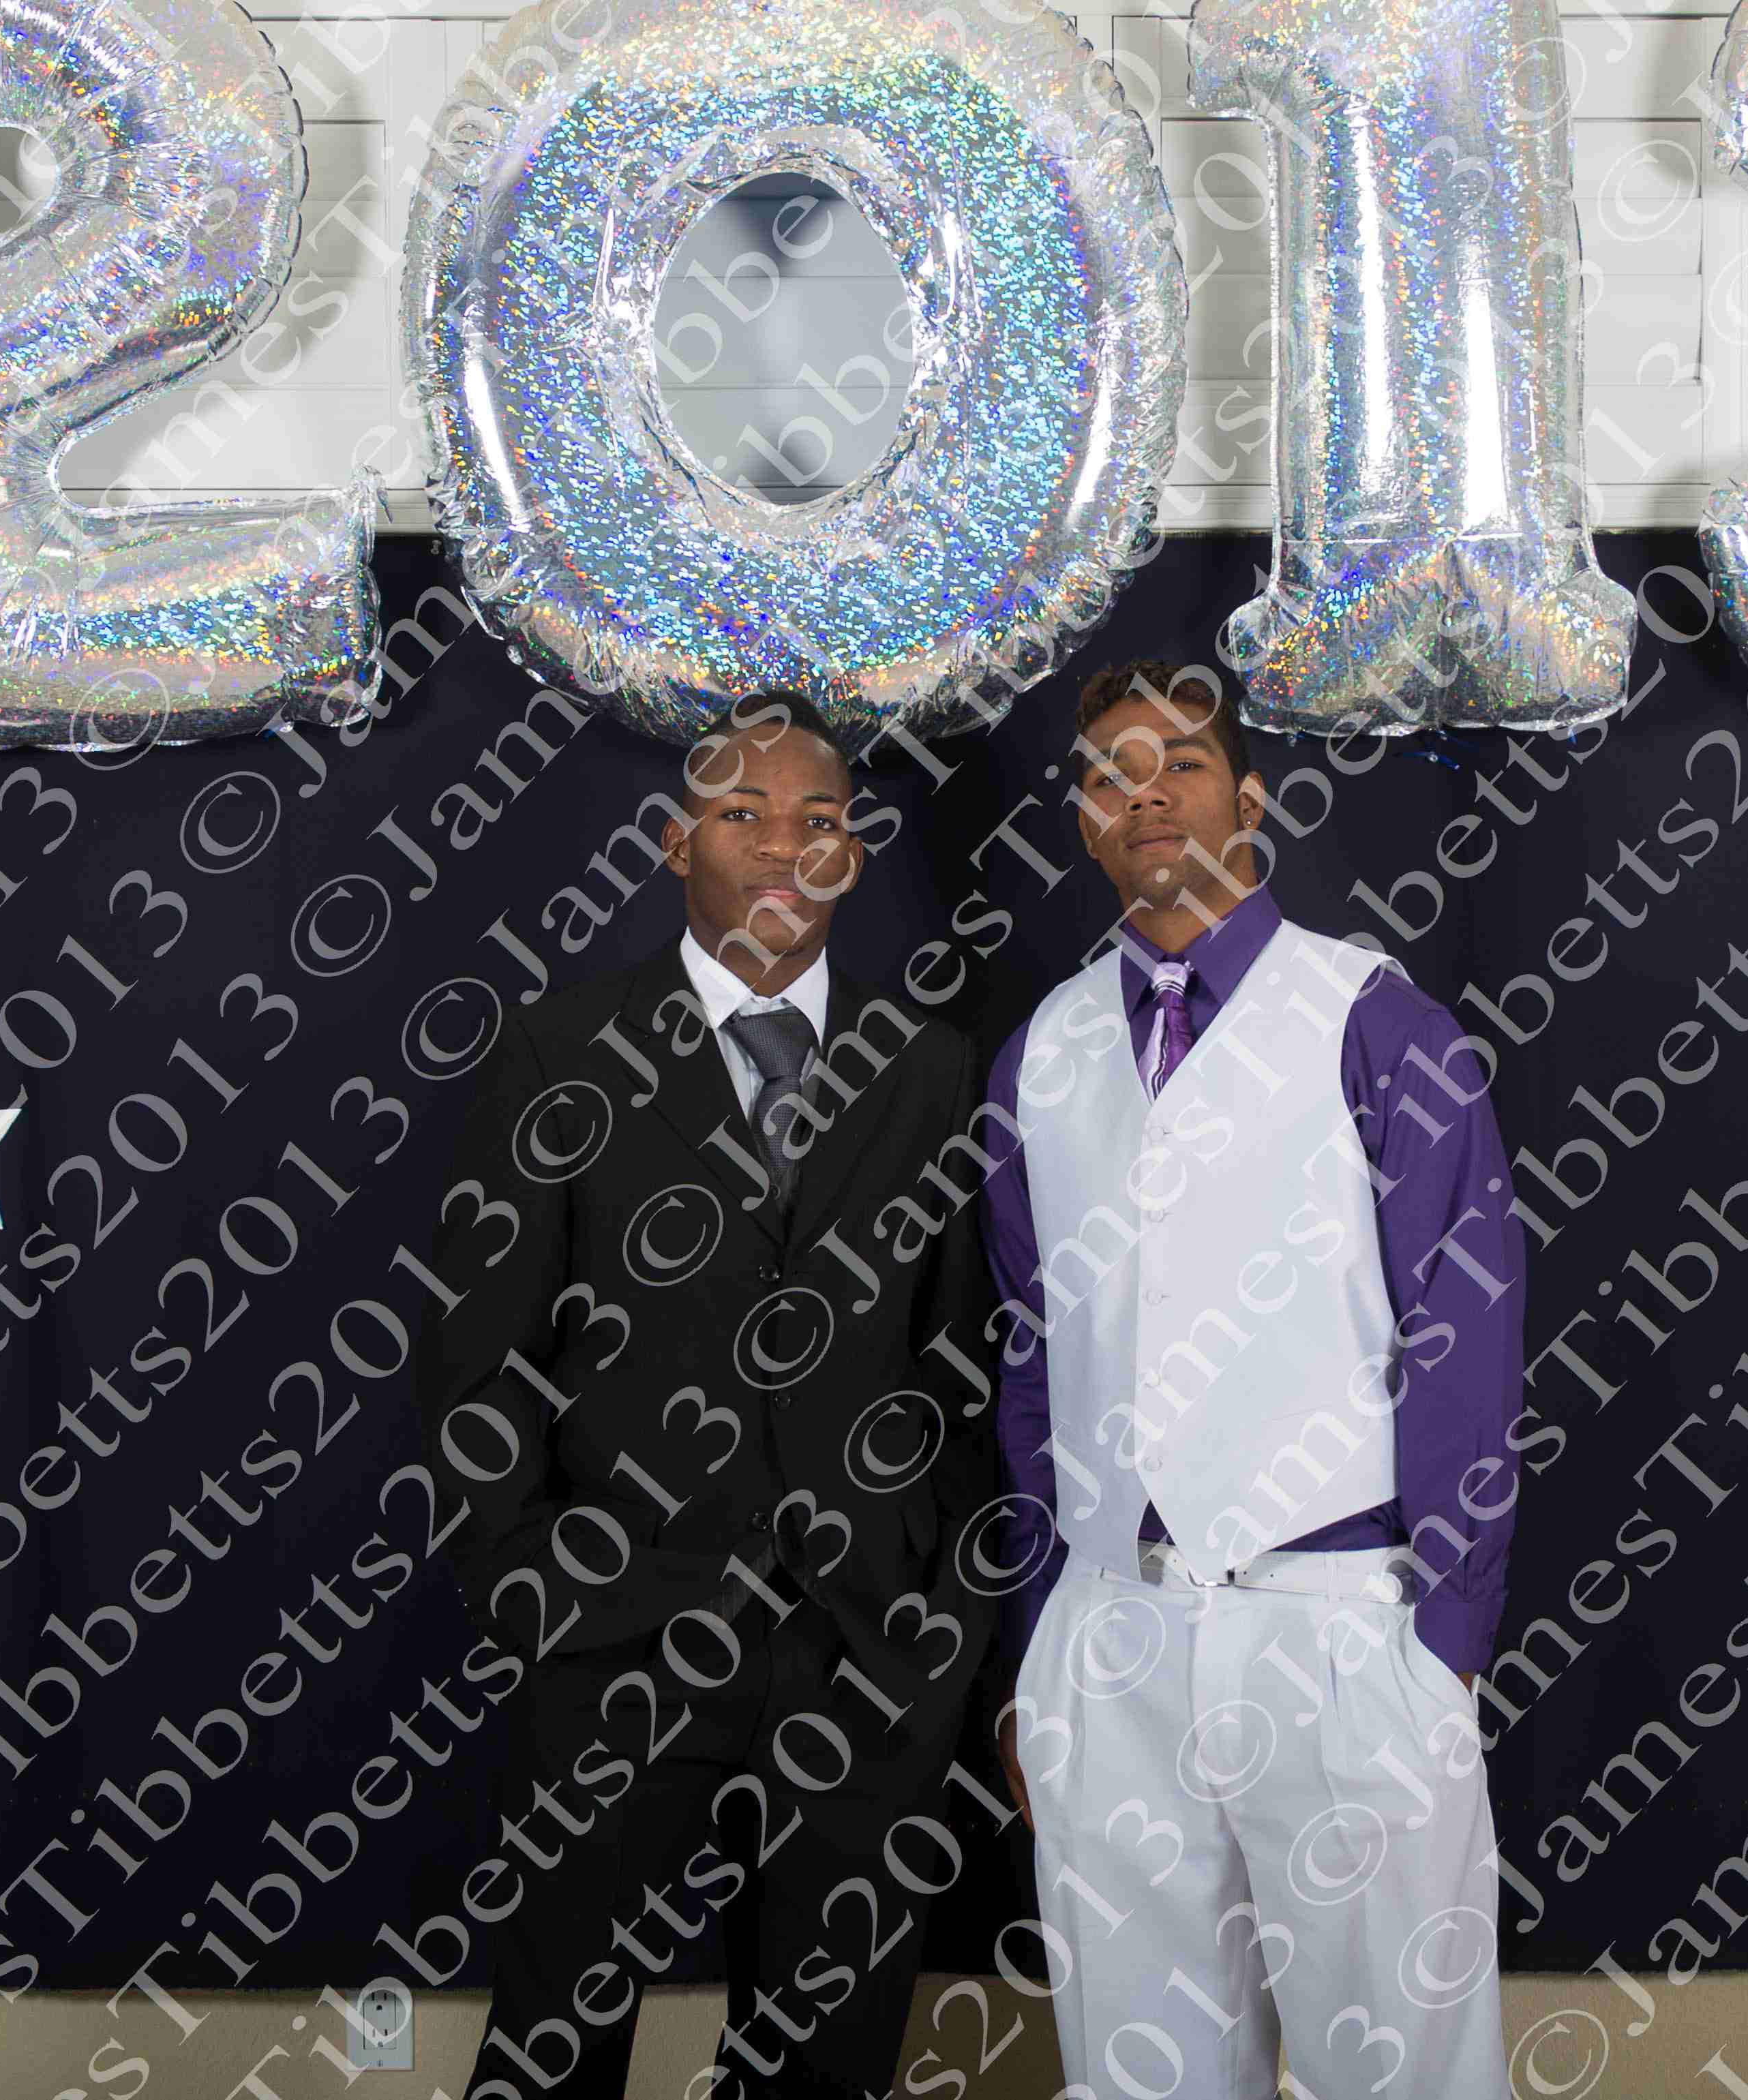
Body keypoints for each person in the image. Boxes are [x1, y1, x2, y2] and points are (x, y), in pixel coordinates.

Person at [416, 690, 999, 2100]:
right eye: (744, 813)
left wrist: (937, 1630)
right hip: (616, 1641)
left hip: (860, 1655)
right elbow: (481, 1359)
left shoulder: (930, 1069)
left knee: (826, 2058)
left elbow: (959, 1370)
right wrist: (536, 1596)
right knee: (553, 2047)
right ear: (676, 843)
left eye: (818, 819)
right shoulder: (560, 1050)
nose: (784, 846)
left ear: (852, 850)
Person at [978, 659, 1526, 2100]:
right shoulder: (1040, 1053)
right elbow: (1033, 1357)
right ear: (1083, 820)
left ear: (1250, 799)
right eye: (1110, 772)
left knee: (1399, 2070)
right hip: (1113, 1629)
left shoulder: (1373, 1021)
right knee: (1136, 2067)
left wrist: (1446, 1639)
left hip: (1336, 1618)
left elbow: (1464, 1337)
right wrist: (1039, 1643)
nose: (1146, 792)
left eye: (1182, 763)